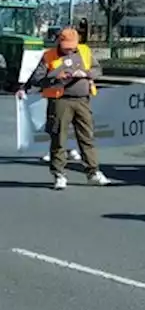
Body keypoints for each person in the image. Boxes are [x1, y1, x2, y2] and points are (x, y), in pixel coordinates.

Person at [18, 28, 111, 189]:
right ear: (59, 42)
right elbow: (37, 79)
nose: (69, 49)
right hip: (59, 100)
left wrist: (86, 73)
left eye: (72, 46)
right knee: (58, 138)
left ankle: (93, 171)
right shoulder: (49, 56)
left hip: (82, 99)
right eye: (66, 46)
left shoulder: (84, 51)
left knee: (86, 137)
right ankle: (59, 174)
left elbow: (98, 71)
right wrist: (55, 76)